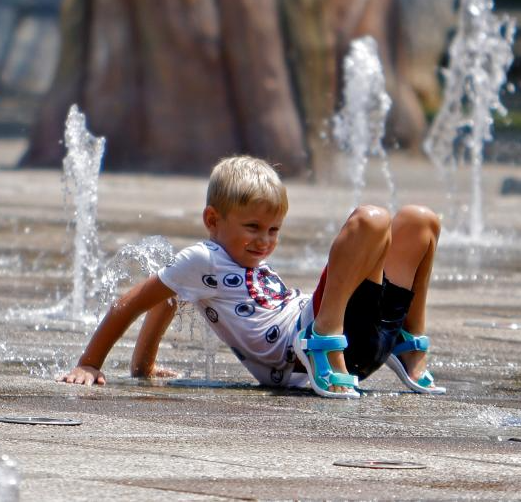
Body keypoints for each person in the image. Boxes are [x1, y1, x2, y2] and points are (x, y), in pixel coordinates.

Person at [58, 155, 445, 398]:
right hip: (312, 349)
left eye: (273, 230)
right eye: (253, 227)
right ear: (213, 219)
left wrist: (142, 366)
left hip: (361, 342)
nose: (264, 241)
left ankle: (407, 342)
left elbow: (170, 297)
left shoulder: (229, 263)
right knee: (371, 220)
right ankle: (322, 340)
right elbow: (135, 301)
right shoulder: (203, 259)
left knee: (421, 220)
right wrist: (90, 363)